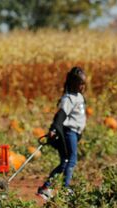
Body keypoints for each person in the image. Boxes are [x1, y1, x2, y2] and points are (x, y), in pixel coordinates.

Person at [37, 66, 87, 200]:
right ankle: (66, 188)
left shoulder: (79, 97)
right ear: (73, 83)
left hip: (75, 133)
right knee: (71, 159)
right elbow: (60, 116)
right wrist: (54, 129)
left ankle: (45, 188)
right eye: (79, 83)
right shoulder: (68, 99)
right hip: (68, 132)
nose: (82, 86)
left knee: (65, 162)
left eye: (83, 84)